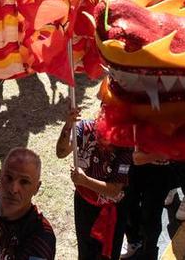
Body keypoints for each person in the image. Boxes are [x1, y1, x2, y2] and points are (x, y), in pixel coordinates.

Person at [56, 107, 131, 260]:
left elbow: (114, 190)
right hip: (84, 203)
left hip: (112, 211)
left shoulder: (125, 145)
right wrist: (68, 125)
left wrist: (85, 181)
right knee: (85, 251)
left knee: (108, 255)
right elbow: (61, 152)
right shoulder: (86, 128)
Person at [120, 152, 172, 260]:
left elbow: (177, 149)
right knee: (128, 204)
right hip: (133, 163)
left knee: (151, 216)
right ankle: (134, 241)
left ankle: (149, 254)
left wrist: (151, 157)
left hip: (160, 170)